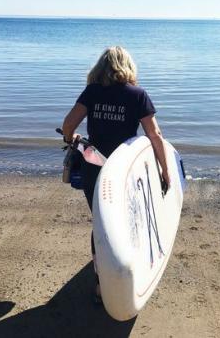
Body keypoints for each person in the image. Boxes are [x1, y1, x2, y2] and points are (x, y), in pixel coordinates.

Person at [62, 46, 170, 303]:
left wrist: (73, 139)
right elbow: (154, 135)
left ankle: (102, 284)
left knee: (101, 222)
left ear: (101, 67)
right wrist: (165, 170)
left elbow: (68, 125)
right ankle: (126, 269)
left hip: (94, 167)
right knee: (125, 220)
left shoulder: (92, 92)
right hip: (124, 171)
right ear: (128, 66)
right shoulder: (138, 95)